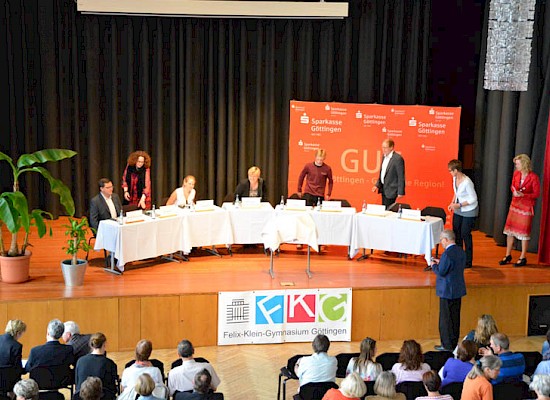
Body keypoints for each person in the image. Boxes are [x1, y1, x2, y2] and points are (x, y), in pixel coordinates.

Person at [499, 153, 540, 267]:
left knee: (523, 232)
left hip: (526, 207)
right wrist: (514, 191)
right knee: (510, 231)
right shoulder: (516, 174)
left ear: (524, 164)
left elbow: (536, 194)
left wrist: (523, 195)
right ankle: (508, 255)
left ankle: (523, 257)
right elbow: (512, 185)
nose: (516, 166)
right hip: (515, 204)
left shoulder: (533, 177)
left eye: (517, 164)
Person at [430, 230, 467, 352]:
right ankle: (453, 343)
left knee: (445, 320)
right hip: (458, 289)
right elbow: (454, 266)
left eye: (441, 240)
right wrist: (441, 263)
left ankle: (446, 346)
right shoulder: (460, 251)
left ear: (446, 239)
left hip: (447, 291)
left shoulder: (447, 254)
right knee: (455, 318)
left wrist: (433, 265)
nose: (441, 243)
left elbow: (441, 272)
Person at [447, 159, 478, 268]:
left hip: (469, 210)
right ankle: (459, 257)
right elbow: (456, 193)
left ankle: (468, 261)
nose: (449, 173)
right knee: (457, 234)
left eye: (450, 171)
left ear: (456, 170)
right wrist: (452, 202)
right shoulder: (455, 179)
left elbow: (473, 198)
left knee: (465, 234)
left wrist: (459, 205)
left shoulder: (467, 182)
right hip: (459, 209)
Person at [75, 332, 118, 400]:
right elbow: (113, 389)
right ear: (104, 345)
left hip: (82, 397)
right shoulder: (109, 363)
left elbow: (77, 385)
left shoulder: (80, 361)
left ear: (91, 345)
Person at [371, 139, 405, 209]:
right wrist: (377, 185)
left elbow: (401, 176)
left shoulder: (398, 159)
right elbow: (382, 173)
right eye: (382, 147)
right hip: (384, 189)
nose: (383, 149)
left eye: (385, 147)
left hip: (392, 190)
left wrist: (400, 192)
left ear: (391, 147)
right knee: (384, 209)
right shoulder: (384, 157)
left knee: (389, 210)